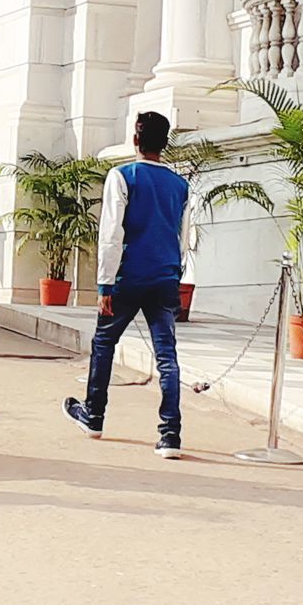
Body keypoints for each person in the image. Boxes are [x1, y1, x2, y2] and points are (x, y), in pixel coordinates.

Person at [62, 111, 189, 459]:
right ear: (165, 143)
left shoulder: (122, 176)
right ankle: (169, 434)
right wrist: (175, 276)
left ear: (135, 139)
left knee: (104, 342)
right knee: (167, 356)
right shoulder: (181, 185)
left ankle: (94, 413)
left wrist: (105, 283)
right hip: (165, 276)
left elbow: (111, 233)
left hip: (128, 276)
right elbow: (183, 237)